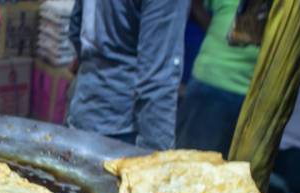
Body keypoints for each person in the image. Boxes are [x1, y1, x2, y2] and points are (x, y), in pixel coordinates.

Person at [67, 0, 190, 150]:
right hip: (122, 129)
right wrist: (156, 164)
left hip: (83, 108)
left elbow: (75, 28)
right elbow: (157, 81)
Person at [176, 0, 260, 157]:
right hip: (213, 83)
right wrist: (215, 30)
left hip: (258, 97)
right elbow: (195, 4)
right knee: (189, 164)